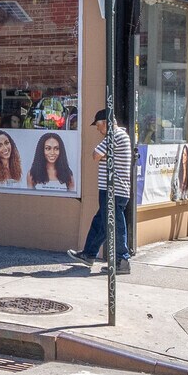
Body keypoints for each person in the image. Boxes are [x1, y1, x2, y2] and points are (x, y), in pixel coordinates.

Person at [68, 110, 134, 273]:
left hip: (114, 190)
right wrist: (108, 156)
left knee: (115, 225)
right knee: (101, 224)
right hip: (111, 190)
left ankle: (122, 260)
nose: (98, 129)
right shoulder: (118, 136)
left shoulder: (115, 135)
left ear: (106, 123)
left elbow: (96, 155)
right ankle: (89, 254)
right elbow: (101, 155)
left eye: (98, 125)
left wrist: (105, 156)